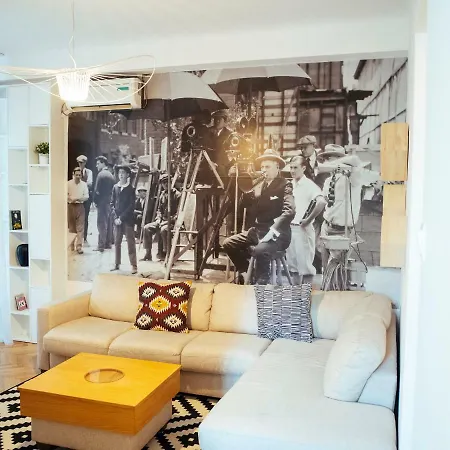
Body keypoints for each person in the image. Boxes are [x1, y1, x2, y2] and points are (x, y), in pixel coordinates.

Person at [222, 148, 295, 285]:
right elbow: (242, 205)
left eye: (267, 167)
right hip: (258, 231)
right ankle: (247, 273)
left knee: (260, 251)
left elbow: (290, 211)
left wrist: (273, 230)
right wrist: (249, 191)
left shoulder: (285, 185)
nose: (264, 170)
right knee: (228, 244)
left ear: (277, 167)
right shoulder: (260, 185)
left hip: (277, 234)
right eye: (262, 167)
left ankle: (262, 280)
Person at [318, 144, 364, 272]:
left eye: (329, 158)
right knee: (326, 269)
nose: (326, 161)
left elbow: (355, 160)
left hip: (342, 231)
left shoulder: (352, 178)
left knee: (336, 270)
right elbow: (326, 200)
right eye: (325, 158)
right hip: (326, 226)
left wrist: (336, 163)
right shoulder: (328, 180)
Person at [286, 155, 326, 284]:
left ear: (303, 168)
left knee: (306, 267)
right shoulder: (290, 184)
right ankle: (296, 293)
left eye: (295, 168)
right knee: (292, 266)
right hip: (289, 229)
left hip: (303, 229)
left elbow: (321, 202)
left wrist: (308, 220)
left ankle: (305, 293)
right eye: (291, 167)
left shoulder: (309, 185)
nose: (292, 171)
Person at [141, 174, 181, 261]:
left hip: (173, 223)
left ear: (171, 182)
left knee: (164, 230)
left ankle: (166, 254)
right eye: (163, 183)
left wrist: (167, 221)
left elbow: (178, 214)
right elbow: (159, 210)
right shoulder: (162, 195)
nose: (165, 184)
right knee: (146, 228)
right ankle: (148, 254)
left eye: (167, 182)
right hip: (161, 220)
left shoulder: (177, 195)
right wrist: (158, 219)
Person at [110, 165, 138, 274]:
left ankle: (134, 265)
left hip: (127, 221)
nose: (121, 175)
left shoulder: (131, 189)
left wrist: (121, 218)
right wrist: (115, 217)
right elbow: (112, 203)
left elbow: (131, 206)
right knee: (117, 242)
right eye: (119, 173)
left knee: (130, 243)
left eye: (123, 172)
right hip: (117, 221)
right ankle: (117, 264)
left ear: (127, 175)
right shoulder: (115, 187)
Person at [93, 156, 115, 253]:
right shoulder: (111, 175)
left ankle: (101, 245)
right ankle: (108, 244)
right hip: (109, 202)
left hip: (102, 202)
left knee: (101, 223)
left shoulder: (101, 175)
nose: (96, 166)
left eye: (98, 163)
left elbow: (97, 191)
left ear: (103, 163)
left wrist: (95, 201)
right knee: (109, 223)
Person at [67, 167, 89, 254]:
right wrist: (70, 199)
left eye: (79, 175)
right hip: (71, 206)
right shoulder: (68, 184)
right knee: (71, 227)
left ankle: (79, 247)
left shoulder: (84, 185)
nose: (78, 177)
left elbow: (86, 196)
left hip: (80, 206)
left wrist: (77, 198)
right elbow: (64, 194)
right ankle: (71, 245)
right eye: (76, 175)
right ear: (73, 175)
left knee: (80, 228)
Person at [210, 110, 233, 178]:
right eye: (215, 119)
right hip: (209, 165)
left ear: (225, 121)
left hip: (223, 167)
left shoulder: (230, 134)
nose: (216, 121)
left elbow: (231, 153)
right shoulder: (208, 132)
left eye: (219, 119)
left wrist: (219, 164)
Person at [76, 154, 93, 244]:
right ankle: (78, 236)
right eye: (79, 162)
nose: (80, 164)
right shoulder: (76, 171)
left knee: (85, 217)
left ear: (85, 163)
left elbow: (90, 183)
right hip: (78, 198)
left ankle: (84, 237)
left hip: (86, 199)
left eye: (81, 163)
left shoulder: (89, 172)